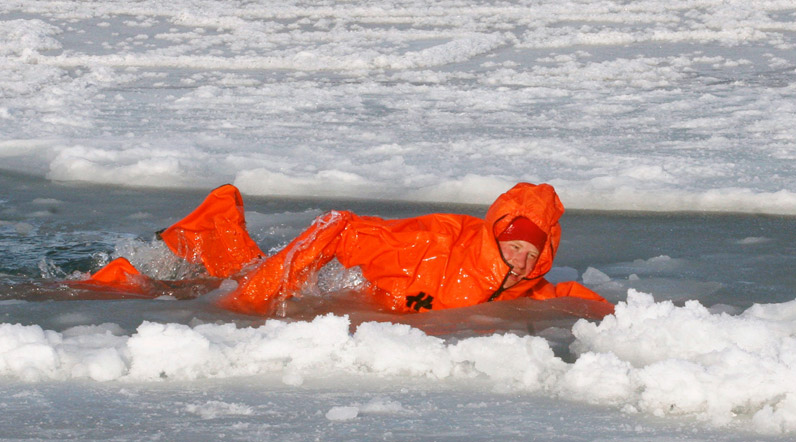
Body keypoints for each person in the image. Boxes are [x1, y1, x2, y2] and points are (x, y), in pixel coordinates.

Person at [84, 182, 614, 317]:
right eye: (515, 244)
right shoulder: (428, 246)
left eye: (532, 252)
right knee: (232, 294)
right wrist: (253, 299)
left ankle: (214, 228)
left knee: (252, 281)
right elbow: (340, 227)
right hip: (349, 287)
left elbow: (562, 296)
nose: (522, 259)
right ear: (497, 233)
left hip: (369, 304)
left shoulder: (525, 284)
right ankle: (126, 284)